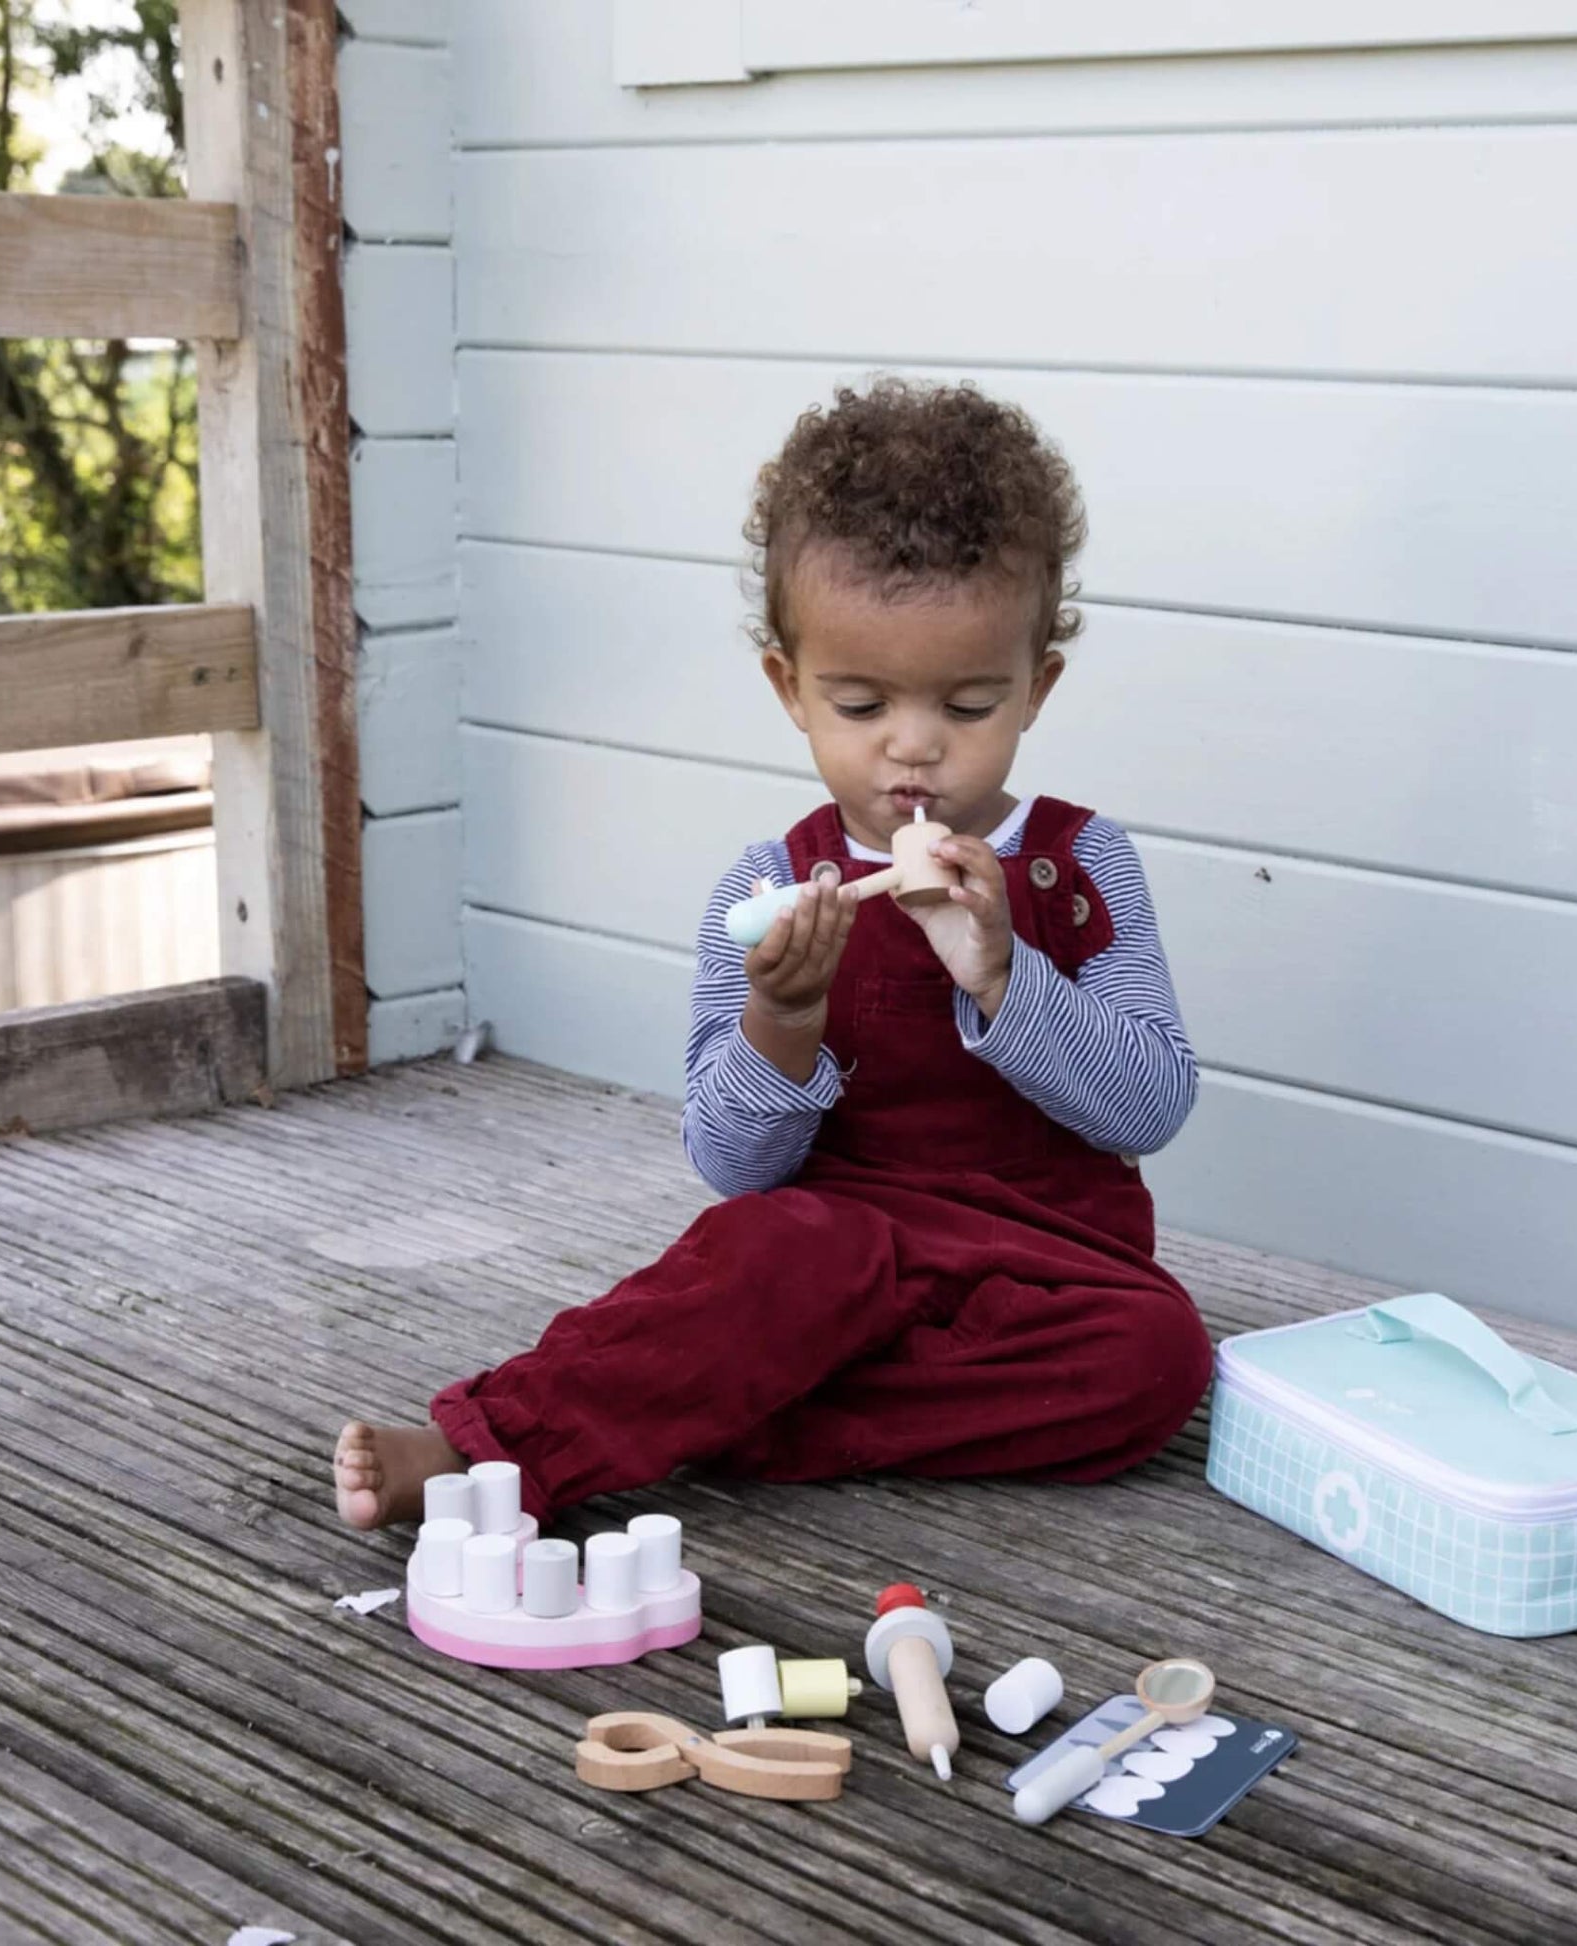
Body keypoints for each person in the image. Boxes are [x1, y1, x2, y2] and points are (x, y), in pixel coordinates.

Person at [334, 377, 1213, 1530]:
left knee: (1158, 1357)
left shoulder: (1077, 867)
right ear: (788, 688)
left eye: (967, 702)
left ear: (1036, 687)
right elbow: (734, 1163)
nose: (912, 745)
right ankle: (487, 1445)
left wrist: (1004, 974)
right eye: (859, 703)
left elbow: (1148, 1106)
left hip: (1042, 1267)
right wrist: (781, 1019)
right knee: (768, 1254)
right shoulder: (765, 889)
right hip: (833, 1250)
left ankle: (725, 1412)